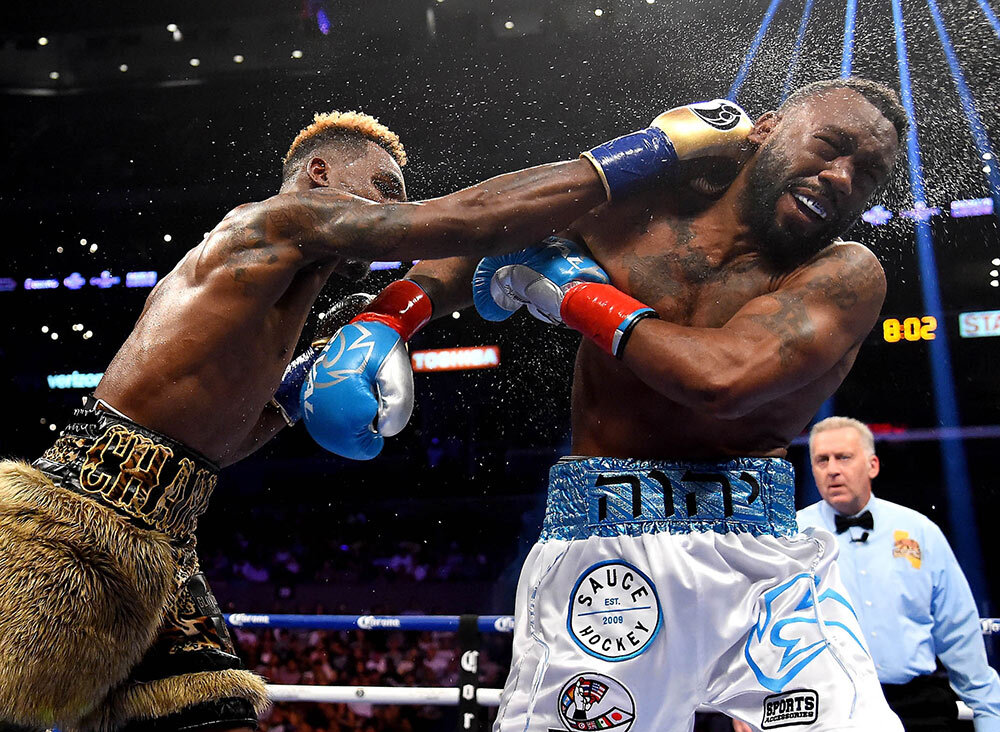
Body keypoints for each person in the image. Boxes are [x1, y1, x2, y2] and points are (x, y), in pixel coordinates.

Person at [0, 106, 656, 732]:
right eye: (383, 187)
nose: (395, 207)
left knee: (214, 717)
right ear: (321, 175)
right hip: (77, 522)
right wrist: (644, 156)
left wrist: (291, 397)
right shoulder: (275, 222)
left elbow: (205, 448)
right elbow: (469, 219)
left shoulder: (278, 289)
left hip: (165, 539)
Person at [307, 78, 908, 730]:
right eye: (830, 146)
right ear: (765, 128)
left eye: (868, 173)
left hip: (763, 567)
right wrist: (389, 319)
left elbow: (724, 378)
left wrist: (573, 292)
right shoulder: (635, 204)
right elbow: (488, 232)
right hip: (607, 555)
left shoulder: (845, 273)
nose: (843, 176)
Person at [798, 416, 1000, 731]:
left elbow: (957, 628)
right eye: (822, 460)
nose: (832, 469)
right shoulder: (791, 537)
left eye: (844, 457)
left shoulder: (919, 532)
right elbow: (758, 621)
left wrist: (989, 714)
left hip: (917, 706)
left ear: (872, 466)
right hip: (825, 706)